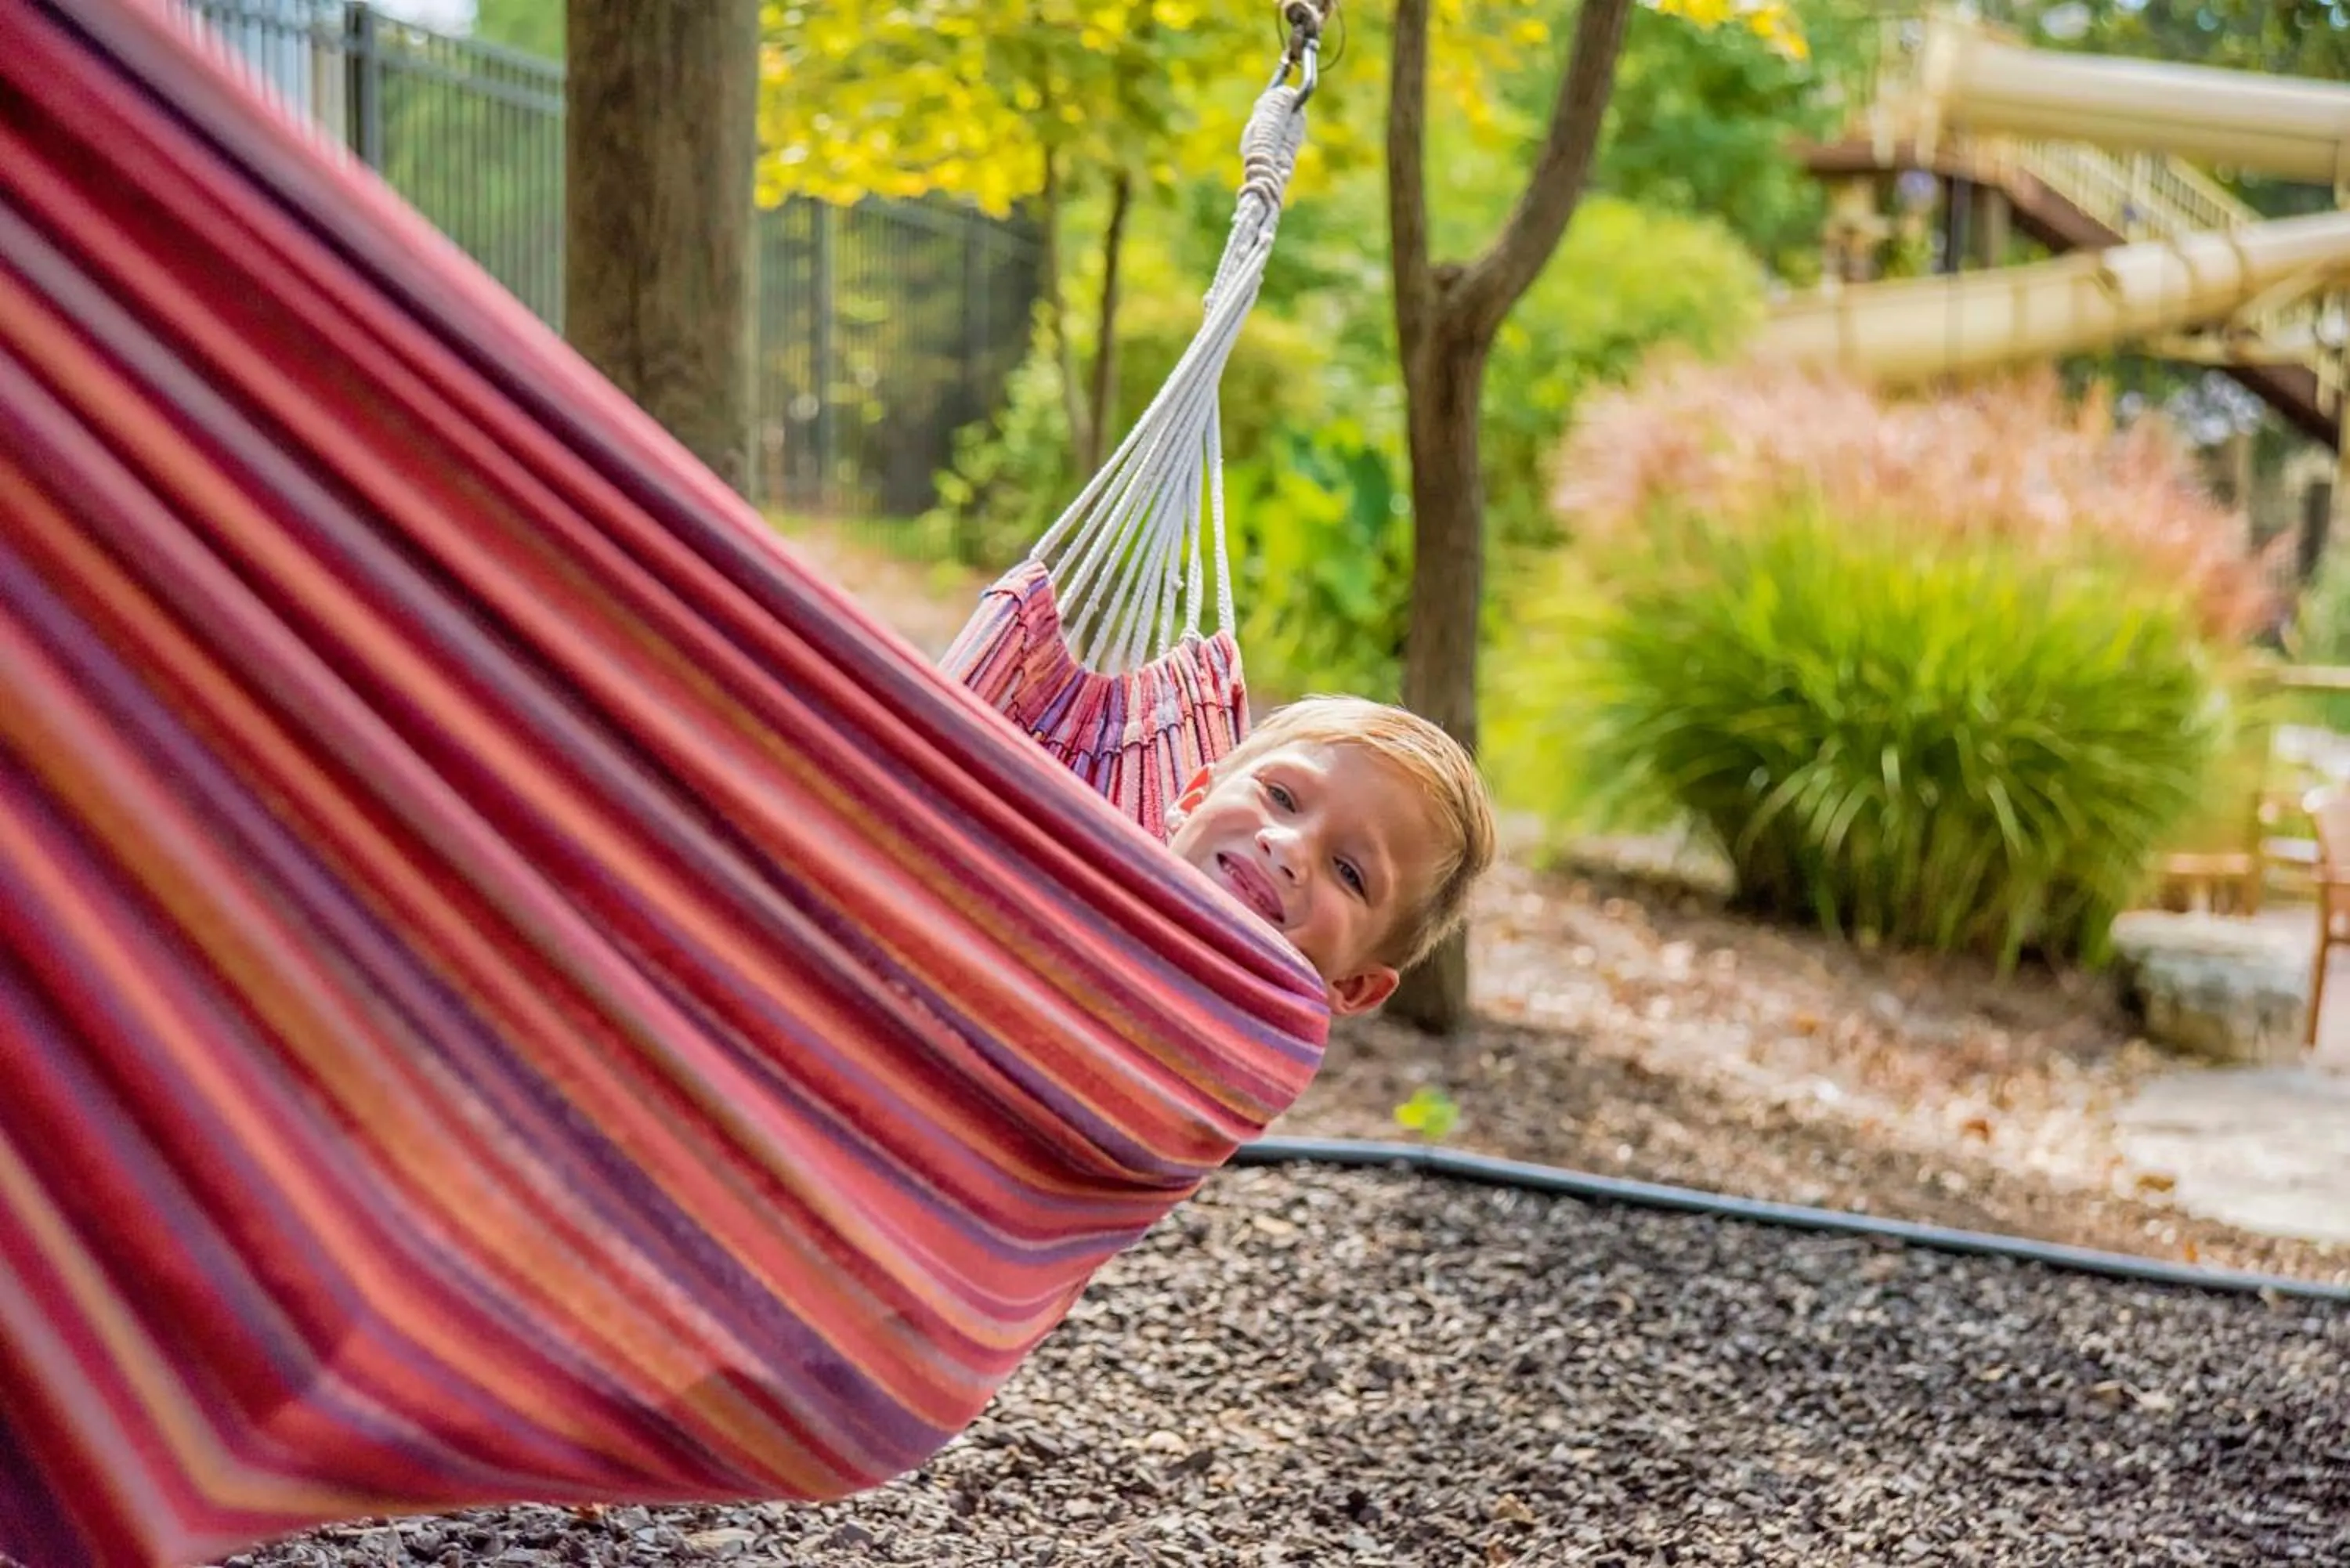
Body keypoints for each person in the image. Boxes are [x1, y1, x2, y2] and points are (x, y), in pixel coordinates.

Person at [1163, 695, 1496, 1016]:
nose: (1289, 848)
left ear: (1354, 985)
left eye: (1348, 872)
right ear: (1193, 800)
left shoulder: (1251, 1071)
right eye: (1280, 796)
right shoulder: (1108, 876)